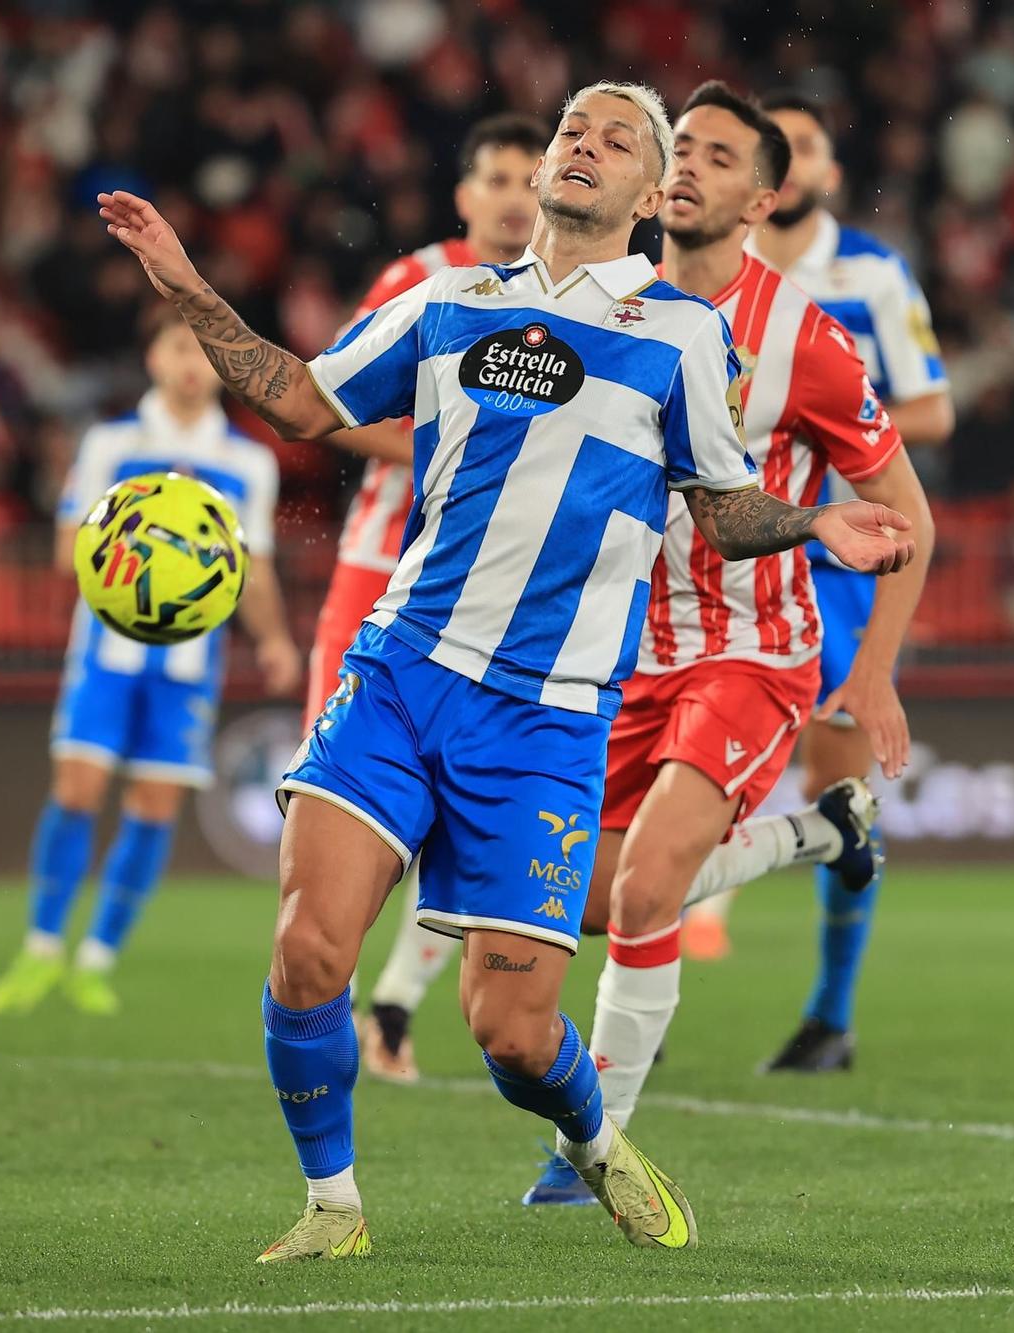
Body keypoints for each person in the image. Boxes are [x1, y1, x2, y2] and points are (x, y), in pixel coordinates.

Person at [98, 79, 915, 1261]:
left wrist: (814, 524)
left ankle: (593, 1140)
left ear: (648, 192)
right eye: (571, 131)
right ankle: (334, 1208)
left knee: (514, 1033)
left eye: (618, 139)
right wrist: (182, 279)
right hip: (401, 670)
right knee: (307, 950)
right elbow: (302, 400)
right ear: (539, 173)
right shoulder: (447, 303)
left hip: (545, 718)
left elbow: (724, 508)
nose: (586, 146)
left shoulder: (684, 338)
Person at [521, 81, 934, 1205]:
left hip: (751, 654)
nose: (688, 167)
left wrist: (874, 672)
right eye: (680, 150)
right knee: (591, 903)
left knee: (650, 892)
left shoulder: (805, 335)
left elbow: (910, 514)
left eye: (715, 155)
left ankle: (587, 1155)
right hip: (615, 660)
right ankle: (818, 832)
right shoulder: (608, 306)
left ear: (762, 196)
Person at [685, 91, 954, 1072]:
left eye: (807, 146)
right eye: (778, 147)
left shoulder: (869, 279)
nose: (791, 162)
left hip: (832, 557)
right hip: (713, 551)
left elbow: (931, 412)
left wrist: (828, 410)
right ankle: (647, 985)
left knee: (832, 777)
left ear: (828, 174)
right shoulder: (700, 263)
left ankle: (829, 1014)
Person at [304, 112, 546, 1086]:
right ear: (465, 196)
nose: (516, 194)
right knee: (342, 796)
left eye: (532, 176)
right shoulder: (418, 280)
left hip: (494, 585)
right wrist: (440, 443)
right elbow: (329, 406)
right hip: (378, 564)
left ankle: (392, 1006)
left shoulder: (569, 301)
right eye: (497, 177)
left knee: (461, 811)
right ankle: (321, 996)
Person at [0, 313, 299, 1017]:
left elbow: (254, 569)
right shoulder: (113, 444)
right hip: (105, 650)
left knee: (153, 806)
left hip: (189, 663)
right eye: (177, 346)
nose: (191, 361)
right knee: (76, 791)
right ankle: (39, 949)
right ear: (153, 358)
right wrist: (144, 531)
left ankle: (95, 959)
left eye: (202, 349)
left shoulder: (249, 462)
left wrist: (274, 638)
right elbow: (68, 550)